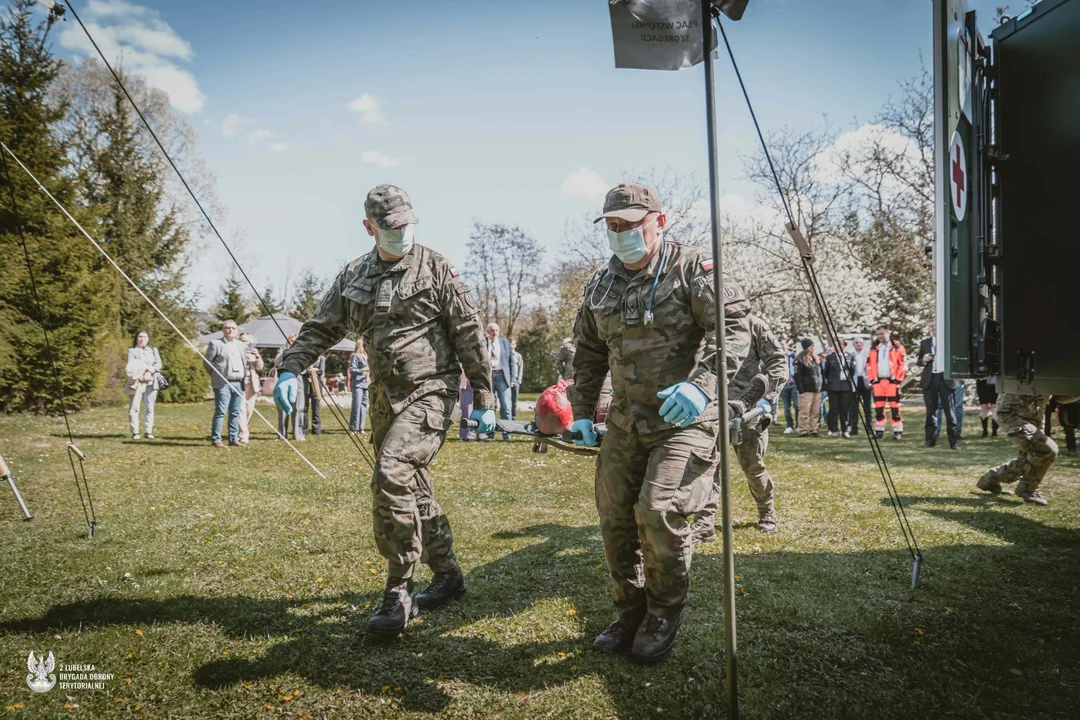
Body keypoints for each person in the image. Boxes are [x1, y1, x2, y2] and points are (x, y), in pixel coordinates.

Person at [274, 183, 495, 638]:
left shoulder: (437, 269)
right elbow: (320, 328)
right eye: (393, 226)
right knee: (412, 488)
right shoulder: (355, 274)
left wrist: (487, 400)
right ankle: (449, 575)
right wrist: (289, 370)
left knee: (391, 474)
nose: (404, 232)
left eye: (409, 223)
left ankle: (399, 589)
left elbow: (471, 335)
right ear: (370, 227)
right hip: (383, 398)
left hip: (431, 391)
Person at [567, 182, 747, 664]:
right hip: (627, 422)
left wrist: (702, 384)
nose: (621, 233)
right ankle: (631, 609)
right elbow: (587, 352)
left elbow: (732, 330)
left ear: (659, 221)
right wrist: (583, 411)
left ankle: (664, 611)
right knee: (614, 518)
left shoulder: (693, 270)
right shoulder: (600, 284)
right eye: (612, 225)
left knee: (658, 509)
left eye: (631, 223)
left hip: (684, 418)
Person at [692, 310, 787, 541]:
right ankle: (704, 522)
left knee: (752, 465)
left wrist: (768, 397)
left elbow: (778, 361)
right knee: (706, 467)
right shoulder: (702, 325)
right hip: (711, 406)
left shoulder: (753, 325)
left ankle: (766, 510)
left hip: (748, 406)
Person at [977, 393, 1078, 505]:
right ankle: (1027, 488)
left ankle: (990, 479)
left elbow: (1058, 397)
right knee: (1046, 450)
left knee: (1025, 460)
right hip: (1012, 415)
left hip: (1035, 418)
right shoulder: (1031, 375)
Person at [203, 319, 249, 448]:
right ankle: (216, 439)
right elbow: (207, 363)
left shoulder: (241, 345)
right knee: (221, 411)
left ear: (237, 330)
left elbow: (244, 362)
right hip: (223, 383)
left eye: (233, 328)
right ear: (223, 330)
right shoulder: (216, 344)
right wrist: (215, 376)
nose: (230, 330)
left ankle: (233, 438)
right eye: (227, 328)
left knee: (235, 412)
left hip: (239, 383)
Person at [918, 320, 959, 450]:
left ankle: (954, 442)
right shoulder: (925, 343)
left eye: (935, 326)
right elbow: (919, 362)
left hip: (946, 379)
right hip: (930, 379)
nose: (933, 328)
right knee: (931, 412)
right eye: (931, 326)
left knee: (950, 412)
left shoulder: (949, 341)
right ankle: (930, 441)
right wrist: (923, 359)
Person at [867, 325, 906, 440]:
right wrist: (872, 379)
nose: (879, 336)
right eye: (878, 334)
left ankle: (897, 431)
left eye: (882, 334)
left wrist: (898, 380)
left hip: (892, 382)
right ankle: (879, 431)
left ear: (888, 332)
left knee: (895, 408)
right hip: (878, 382)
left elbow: (903, 365)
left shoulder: (897, 347)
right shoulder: (874, 348)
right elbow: (869, 365)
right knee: (879, 408)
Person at [125, 330, 162, 440]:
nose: (142, 339)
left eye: (144, 337)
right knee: (134, 407)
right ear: (136, 338)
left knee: (149, 407)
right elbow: (131, 366)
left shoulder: (153, 350)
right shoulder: (132, 351)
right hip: (137, 382)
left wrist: (149, 371)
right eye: (140, 337)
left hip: (151, 381)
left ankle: (148, 431)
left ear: (148, 339)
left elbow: (158, 364)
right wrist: (142, 373)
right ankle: (135, 432)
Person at [486, 323, 516, 441]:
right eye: (492, 330)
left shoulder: (505, 343)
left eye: (497, 330)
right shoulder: (483, 343)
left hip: (503, 376)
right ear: (488, 332)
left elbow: (511, 362)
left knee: (506, 406)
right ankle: (490, 434)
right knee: (490, 406)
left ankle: (506, 433)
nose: (495, 333)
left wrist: (513, 379)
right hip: (489, 376)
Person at [274, 334, 306, 442]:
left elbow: (306, 368)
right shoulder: (282, 350)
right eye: (291, 340)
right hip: (284, 380)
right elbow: (276, 363)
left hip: (299, 381)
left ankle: (298, 434)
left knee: (298, 408)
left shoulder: (302, 351)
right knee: (283, 408)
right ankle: (282, 435)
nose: (293, 342)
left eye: (295, 340)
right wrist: (285, 353)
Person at [823, 338, 855, 438]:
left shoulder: (850, 356)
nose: (837, 347)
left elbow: (852, 371)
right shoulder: (830, 357)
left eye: (839, 345)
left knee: (844, 409)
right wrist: (833, 381)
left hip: (845, 386)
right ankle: (833, 430)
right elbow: (826, 372)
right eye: (835, 345)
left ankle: (845, 430)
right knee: (834, 408)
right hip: (834, 386)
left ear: (844, 345)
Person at [237, 332, 264, 444]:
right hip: (240, 382)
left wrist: (257, 357)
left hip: (252, 383)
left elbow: (260, 367)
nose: (245, 343)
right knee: (240, 409)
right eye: (243, 340)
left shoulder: (253, 352)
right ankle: (243, 434)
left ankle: (242, 429)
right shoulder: (236, 351)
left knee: (249, 409)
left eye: (247, 341)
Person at [794, 339, 823, 437]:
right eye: (811, 346)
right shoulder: (800, 359)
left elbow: (820, 374)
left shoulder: (816, 359)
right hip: (806, 390)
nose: (813, 347)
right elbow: (797, 376)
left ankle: (814, 430)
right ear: (806, 347)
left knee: (815, 412)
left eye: (813, 345)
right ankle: (802, 430)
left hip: (817, 389)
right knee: (804, 412)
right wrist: (800, 390)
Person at [851, 336, 872, 434]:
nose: (858, 344)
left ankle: (869, 428)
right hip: (855, 381)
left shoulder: (868, 355)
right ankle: (854, 428)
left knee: (867, 406)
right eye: (857, 343)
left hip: (865, 380)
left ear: (863, 344)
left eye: (860, 342)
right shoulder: (851, 355)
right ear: (853, 344)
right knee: (854, 407)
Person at [349, 339, 370, 432]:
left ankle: (361, 428)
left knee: (364, 406)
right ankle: (353, 427)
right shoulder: (355, 356)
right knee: (356, 406)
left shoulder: (366, 356)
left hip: (366, 384)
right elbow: (352, 369)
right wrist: (362, 370)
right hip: (358, 384)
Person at [303, 354, 326, 436]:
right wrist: (309, 371)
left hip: (316, 384)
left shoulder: (321, 358)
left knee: (316, 407)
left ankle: (316, 430)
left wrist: (312, 371)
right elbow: (303, 370)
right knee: (304, 407)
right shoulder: (306, 357)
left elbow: (321, 371)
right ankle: (304, 429)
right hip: (306, 383)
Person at [779, 346, 798, 435]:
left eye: (784, 347)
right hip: (784, 385)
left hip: (794, 384)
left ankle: (798, 425)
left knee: (796, 405)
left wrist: (791, 354)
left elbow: (798, 360)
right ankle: (789, 426)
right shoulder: (778, 358)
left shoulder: (792, 356)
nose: (783, 349)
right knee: (786, 407)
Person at [510, 337, 523, 420]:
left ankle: (513, 417)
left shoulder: (518, 356)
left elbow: (520, 368)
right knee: (506, 401)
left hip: (516, 380)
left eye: (513, 344)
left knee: (514, 402)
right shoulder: (504, 355)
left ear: (515, 345)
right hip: (507, 381)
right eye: (510, 344)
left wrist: (519, 380)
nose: (511, 346)